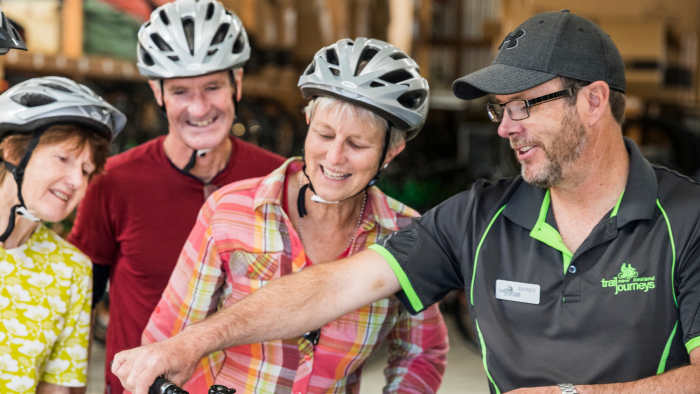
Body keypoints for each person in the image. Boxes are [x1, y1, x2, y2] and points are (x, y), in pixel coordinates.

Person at [112, 9, 700, 394]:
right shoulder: (476, 217)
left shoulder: (689, 218)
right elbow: (334, 287)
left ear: (593, 101)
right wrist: (193, 343)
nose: (505, 128)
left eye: (525, 105)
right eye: (501, 109)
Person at [142, 37, 448, 393]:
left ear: (391, 151)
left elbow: (423, 351)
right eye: (324, 134)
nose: (334, 157)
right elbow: (165, 342)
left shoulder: (406, 233)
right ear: (307, 121)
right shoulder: (230, 211)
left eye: (357, 144)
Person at [67, 1, 285, 393]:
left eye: (213, 86)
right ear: (157, 90)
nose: (199, 107)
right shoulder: (114, 182)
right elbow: (75, 308)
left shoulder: (279, 179)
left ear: (237, 81)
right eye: (181, 90)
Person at [0, 76, 126, 394]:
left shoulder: (72, 270)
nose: (75, 180)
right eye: (64, 158)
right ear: (12, 151)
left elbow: (57, 388)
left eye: (86, 170)